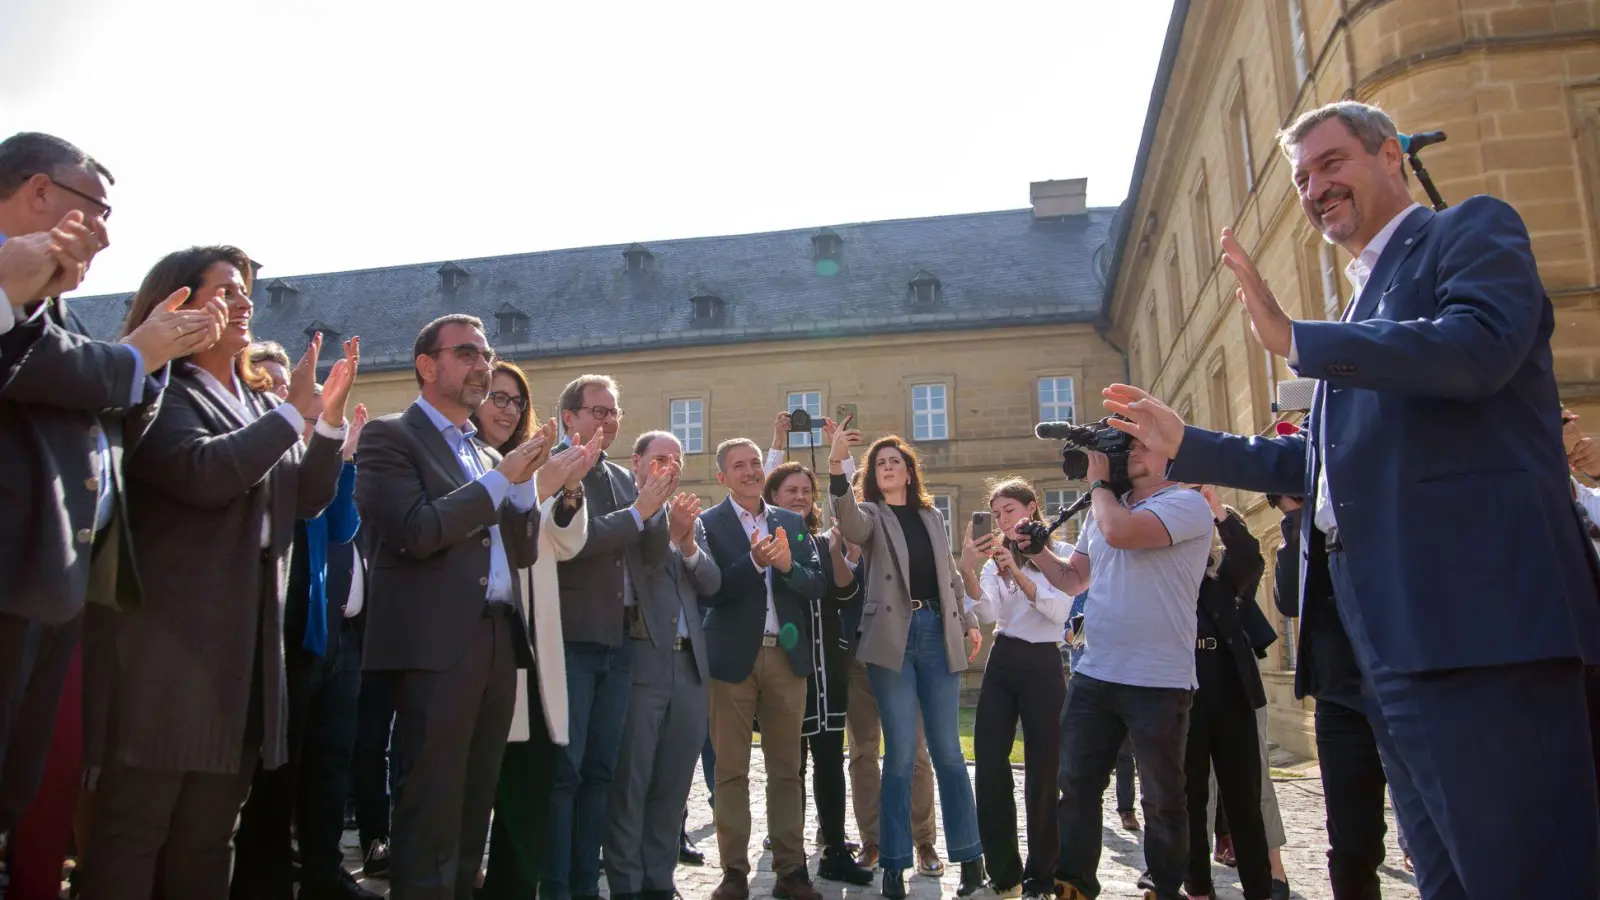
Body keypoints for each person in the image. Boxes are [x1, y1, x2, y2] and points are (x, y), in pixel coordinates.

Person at [1105, 98, 1600, 897]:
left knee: (1526, 872)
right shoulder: (1358, 309)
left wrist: (1298, 339)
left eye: (1332, 163)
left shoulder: (1467, 230)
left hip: (1482, 627)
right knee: (1447, 875)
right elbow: (1321, 465)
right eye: (1302, 177)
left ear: (1390, 156)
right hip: (1387, 644)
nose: (1314, 187)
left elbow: (1479, 348)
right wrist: (1185, 442)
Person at [79, 245, 356, 899]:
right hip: (165, 655)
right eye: (226, 290)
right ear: (175, 300)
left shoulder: (256, 403)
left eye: (247, 294)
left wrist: (323, 423)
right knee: (135, 829)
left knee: (210, 834)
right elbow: (205, 474)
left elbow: (304, 500)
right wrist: (293, 413)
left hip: (244, 654)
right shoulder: (156, 390)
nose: (243, 303)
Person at [0, 132, 227, 836]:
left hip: (48, 586)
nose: (103, 235)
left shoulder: (46, 308)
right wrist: (141, 353)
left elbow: (98, 392)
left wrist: (144, 358)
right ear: (40, 192)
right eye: (95, 210)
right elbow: (56, 368)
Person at [355, 314, 557, 900]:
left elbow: (520, 550)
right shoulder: (392, 437)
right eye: (467, 353)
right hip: (435, 646)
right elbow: (415, 531)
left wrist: (521, 484)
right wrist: (502, 483)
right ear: (427, 365)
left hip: (497, 642)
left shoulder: (487, 454)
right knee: (430, 804)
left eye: (486, 354)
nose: (482, 365)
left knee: (475, 804)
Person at [1019, 437, 1215, 900]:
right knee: (1076, 784)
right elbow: (1073, 579)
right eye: (1127, 448)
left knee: (1162, 797)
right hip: (1096, 670)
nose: (1131, 455)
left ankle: (1162, 887)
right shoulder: (1105, 508)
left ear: (1171, 454)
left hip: (1158, 677)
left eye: (1144, 447)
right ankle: (1074, 882)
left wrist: (1099, 484)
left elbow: (1122, 533)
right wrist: (1036, 551)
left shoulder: (1186, 504)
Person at [828, 429, 985, 900]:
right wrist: (837, 466)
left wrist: (970, 619)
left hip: (939, 632)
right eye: (880, 464)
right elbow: (849, 524)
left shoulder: (931, 515)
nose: (889, 467)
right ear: (873, 477)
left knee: (949, 754)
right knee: (898, 755)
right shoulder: (871, 515)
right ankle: (894, 864)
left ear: (910, 469)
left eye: (895, 461)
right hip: (892, 639)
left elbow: (951, 575)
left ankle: (970, 857)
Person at [233, 401, 378, 900]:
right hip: (280, 636)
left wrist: (345, 462)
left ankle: (321, 873)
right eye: (316, 420)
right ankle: (263, 879)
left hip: (326, 637)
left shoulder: (318, 469)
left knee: (329, 763)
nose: (323, 430)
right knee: (277, 774)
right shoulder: (277, 465)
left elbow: (342, 527)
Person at [546, 373, 674, 900]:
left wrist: (656, 502)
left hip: (619, 644)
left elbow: (651, 554)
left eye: (614, 412)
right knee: (564, 775)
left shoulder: (622, 479)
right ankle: (555, 886)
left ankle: (585, 885)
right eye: (597, 411)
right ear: (569, 418)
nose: (608, 420)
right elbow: (574, 543)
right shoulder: (555, 468)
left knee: (601, 772)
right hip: (572, 641)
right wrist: (638, 513)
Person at [479, 359, 598, 900]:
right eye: (496, 397)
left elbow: (563, 542)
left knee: (528, 784)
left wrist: (569, 491)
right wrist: (544, 481)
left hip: (530, 643)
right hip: (474, 641)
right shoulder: (462, 460)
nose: (507, 410)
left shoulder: (536, 462)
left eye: (516, 401)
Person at [698, 438, 826, 900]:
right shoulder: (707, 524)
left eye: (755, 463)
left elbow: (816, 586)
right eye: (740, 465)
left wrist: (790, 566)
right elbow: (708, 590)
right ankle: (733, 872)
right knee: (730, 770)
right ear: (723, 477)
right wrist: (753, 561)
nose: (751, 471)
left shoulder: (792, 521)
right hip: (732, 659)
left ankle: (791, 872)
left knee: (787, 770)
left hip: (786, 659)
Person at [605, 431, 720, 900]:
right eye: (659, 459)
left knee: (674, 786)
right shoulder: (626, 514)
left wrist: (689, 545)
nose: (669, 466)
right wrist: (668, 534)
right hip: (640, 664)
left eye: (676, 459)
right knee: (631, 783)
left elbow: (711, 582)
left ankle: (658, 881)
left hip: (689, 670)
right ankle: (627, 885)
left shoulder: (688, 515)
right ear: (636, 463)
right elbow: (641, 570)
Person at [763, 460, 875, 886]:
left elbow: (847, 593)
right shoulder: (766, 537)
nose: (800, 496)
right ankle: (789, 861)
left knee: (829, 759)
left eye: (806, 489)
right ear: (774, 496)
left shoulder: (824, 540)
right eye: (790, 490)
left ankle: (833, 847)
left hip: (828, 662)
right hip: (786, 663)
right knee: (789, 766)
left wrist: (836, 549)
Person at [959, 478, 1071, 900]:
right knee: (988, 764)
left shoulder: (1057, 558)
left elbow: (1059, 612)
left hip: (1043, 664)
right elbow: (986, 611)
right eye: (997, 512)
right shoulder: (993, 563)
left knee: (1044, 773)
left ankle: (1041, 878)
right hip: (1003, 660)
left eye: (1010, 510)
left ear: (1031, 508)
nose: (1003, 519)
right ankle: (1003, 873)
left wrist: (1020, 572)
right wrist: (970, 569)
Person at [1180, 487, 1272, 900]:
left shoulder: (1225, 575)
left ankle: (1259, 889)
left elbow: (1252, 557)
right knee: (1190, 797)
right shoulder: (1166, 576)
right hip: (1183, 687)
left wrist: (1218, 511)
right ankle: (1198, 886)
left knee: (1243, 799)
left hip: (1229, 686)